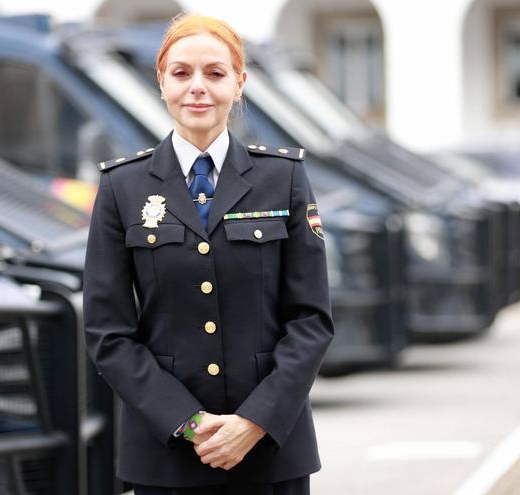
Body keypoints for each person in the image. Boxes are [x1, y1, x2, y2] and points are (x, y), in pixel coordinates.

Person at [83, 13, 334, 495]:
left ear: (240, 83)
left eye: (215, 73)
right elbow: (108, 333)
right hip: (167, 457)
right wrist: (189, 423)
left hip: (270, 454)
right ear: (161, 82)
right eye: (181, 73)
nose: (197, 87)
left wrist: (253, 423)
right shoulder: (122, 187)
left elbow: (310, 320)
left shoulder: (282, 179)